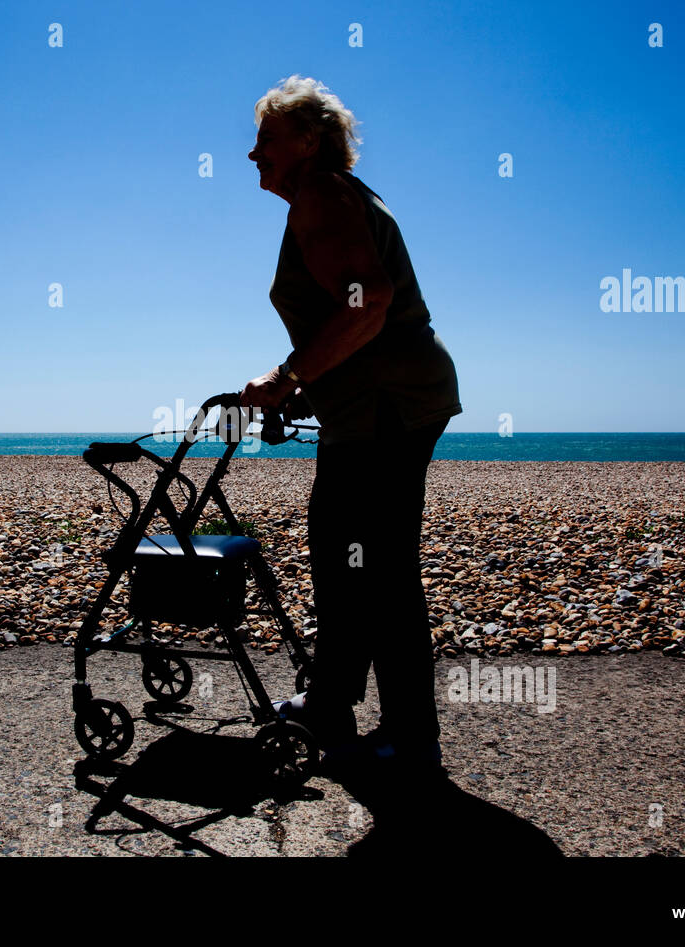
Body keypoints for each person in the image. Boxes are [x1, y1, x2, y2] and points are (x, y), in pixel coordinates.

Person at [238, 75, 462, 773]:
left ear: (308, 141)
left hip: (386, 411)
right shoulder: (334, 196)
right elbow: (359, 317)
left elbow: (368, 305)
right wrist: (312, 381)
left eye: (265, 138)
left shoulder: (322, 195)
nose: (252, 154)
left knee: (377, 567)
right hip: (378, 404)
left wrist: (286, 376)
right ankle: (333, 703)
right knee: (348, 559)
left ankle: (409, 736)